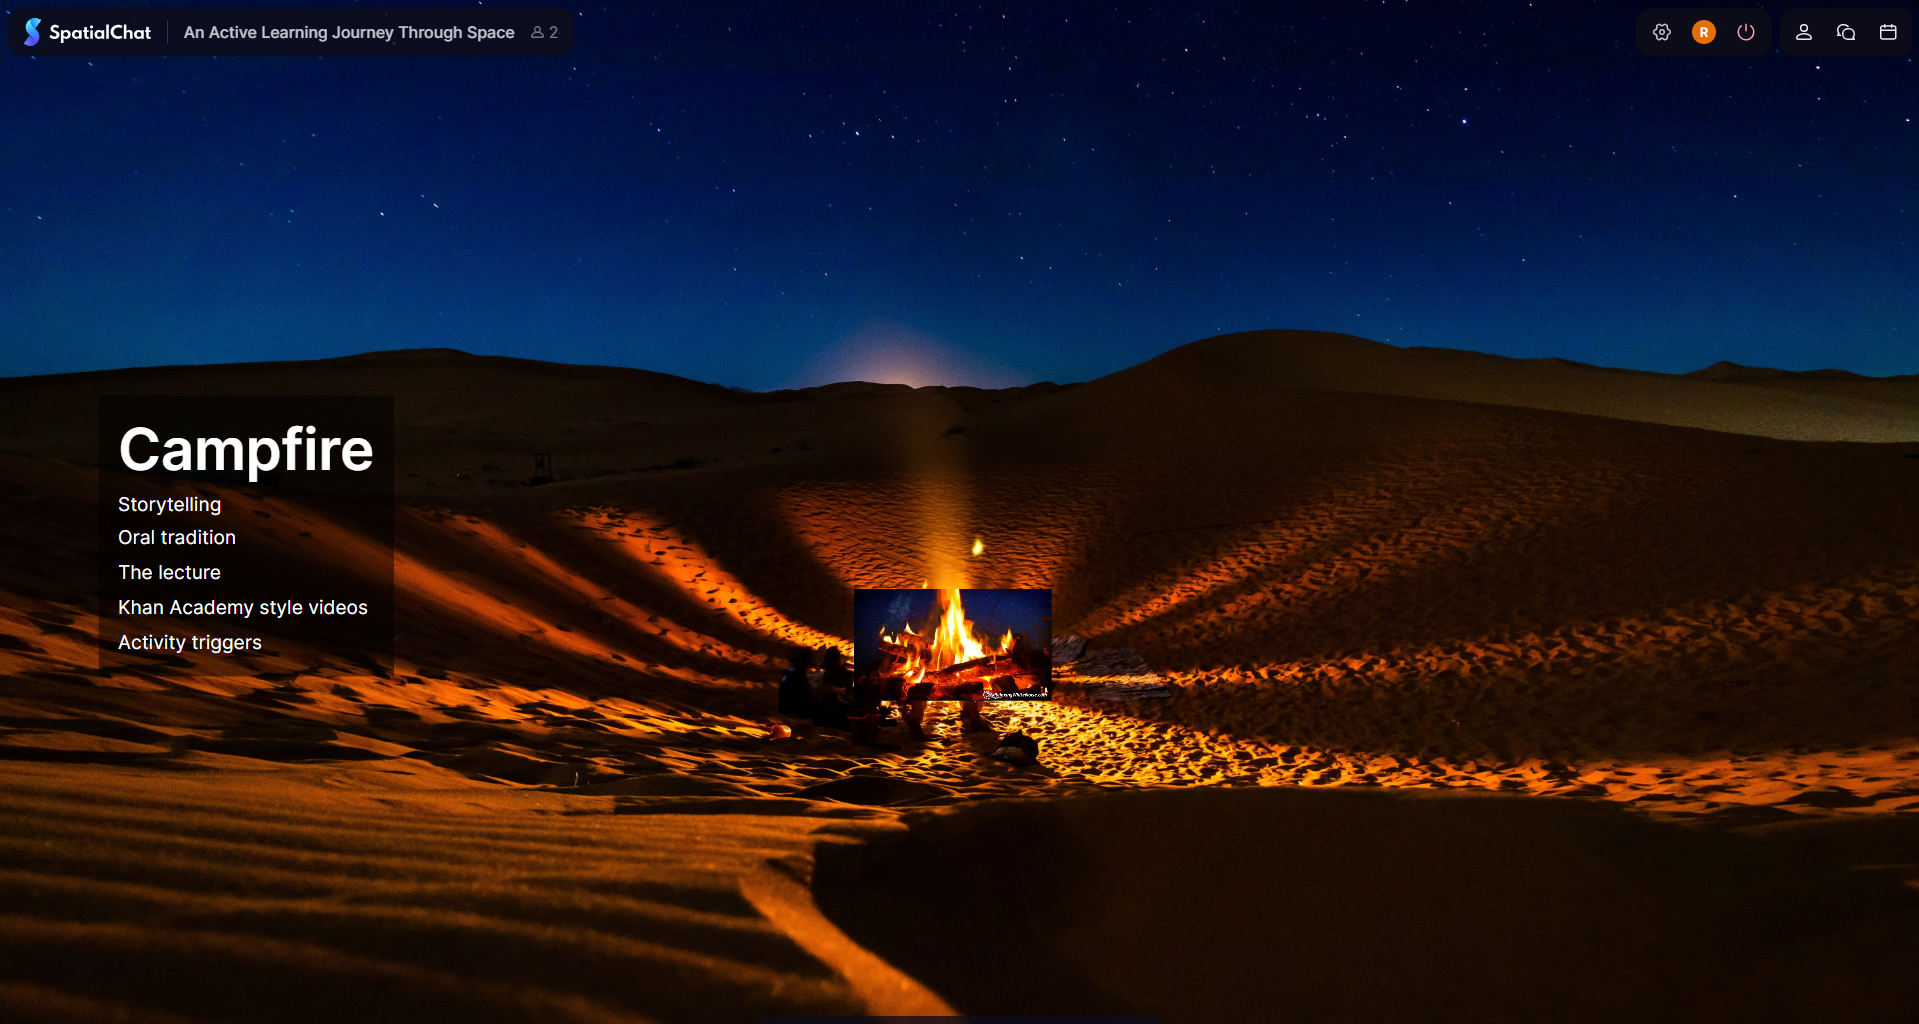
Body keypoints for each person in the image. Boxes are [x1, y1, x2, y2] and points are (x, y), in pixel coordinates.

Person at [777, 647, 814, 719]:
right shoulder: (799, 676)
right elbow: (805, 697)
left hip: (784, 707)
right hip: (794, 710)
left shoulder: (788, 672)